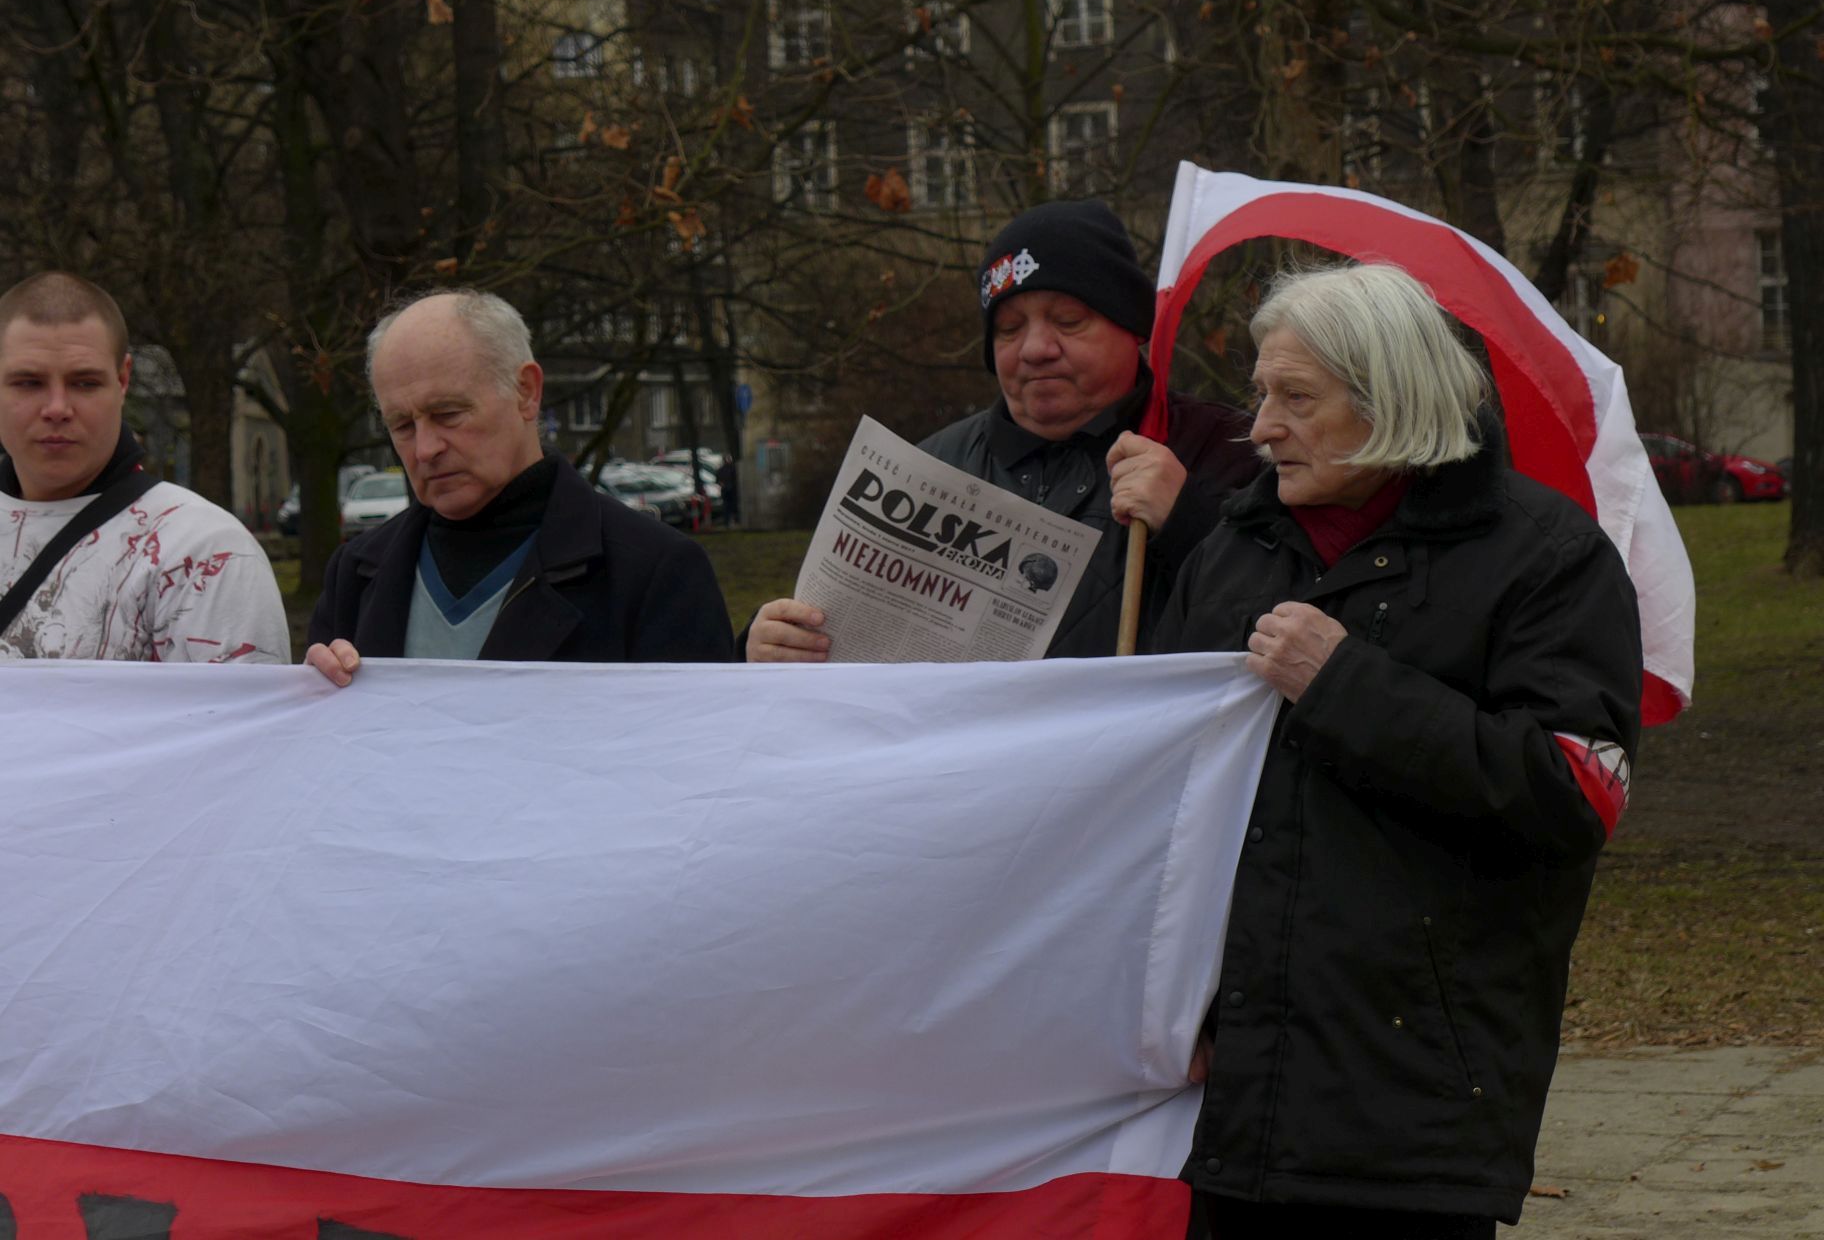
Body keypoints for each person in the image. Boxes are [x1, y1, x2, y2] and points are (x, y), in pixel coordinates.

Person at [1150, 263, 1642, 1238]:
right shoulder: (1233, 552)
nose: (1260, 428)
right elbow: (1158, 794)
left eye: (1297, 398)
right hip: (1225, 1098)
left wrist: (1346, 685)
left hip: (1416, 1106)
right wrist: (1172, 1007)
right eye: (1260, 394)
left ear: (1393, 398)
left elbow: (1572, 795)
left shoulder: (1546, 557)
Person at [746, 199, 1259, 661]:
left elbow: (1274, 626)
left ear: (1132, 328)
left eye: (1069, 320)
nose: (1035, 349)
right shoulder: (929, 467)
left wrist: (1189, 521)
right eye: (1009, 329)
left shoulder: (1234, 448)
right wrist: (767, 644)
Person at [304, 290, 733, 683]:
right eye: (402, 425)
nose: (425, 448)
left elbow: (694, 737)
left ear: (526, 391)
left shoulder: (656, 572)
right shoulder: (354, 575)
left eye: (448, 414)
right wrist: (316, 700)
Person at [0, 272, 288, 663]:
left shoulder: (206, 550)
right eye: (28, 382)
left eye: (84, 383)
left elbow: (238, 705)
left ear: (123, 380)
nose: (57, 408)